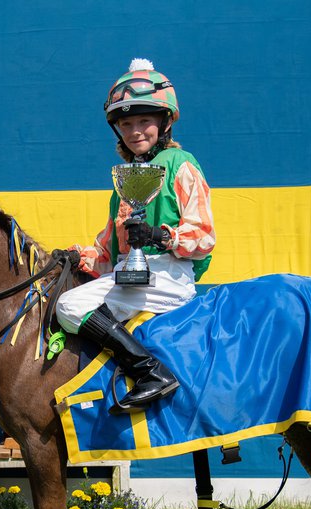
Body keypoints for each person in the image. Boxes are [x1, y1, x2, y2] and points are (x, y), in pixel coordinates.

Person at [55, 58, 216, 412]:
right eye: (126, 123)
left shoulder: (182, 163)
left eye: (144, 121)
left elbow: (204, 235)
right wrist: (75, 256)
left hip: (169, 276)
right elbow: (109, 250)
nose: (135, 130)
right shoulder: (125, 178)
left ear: (164, 122)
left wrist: (160, 237)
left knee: (68, 306)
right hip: (130, 274)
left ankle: (151, 373)